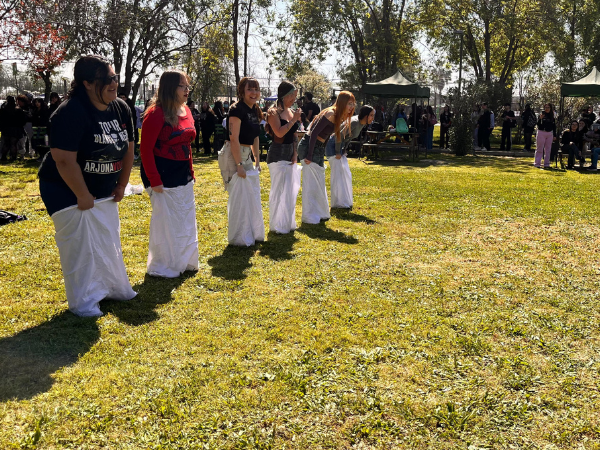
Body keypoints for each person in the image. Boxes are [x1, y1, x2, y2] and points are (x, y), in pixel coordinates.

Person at [37, 55, 136, 316]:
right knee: (80, 246)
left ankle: (111, 289)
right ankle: (84, 302)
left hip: (103, 189)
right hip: (64, 188)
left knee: (106, 241)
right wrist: (82, 194)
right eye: (107, 79)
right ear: (87, 83)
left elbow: (128, 150)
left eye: (115, 77)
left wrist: (121, 184)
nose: (114, 83)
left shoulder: (121, 108)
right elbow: (63, 160)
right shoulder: (70, 112)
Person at [140, 70, 199, 277]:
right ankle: (164, 265)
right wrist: (154, 179)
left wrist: (191, 170)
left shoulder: (186, 110)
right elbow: (145, 150)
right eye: (183, 86)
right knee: (166, 222)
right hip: (162, 175)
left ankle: (185, 261)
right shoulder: (156, 114)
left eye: (187, 86)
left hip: (182, 173)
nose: (187, 90)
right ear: (170, 88)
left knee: (184, 219)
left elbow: (187, 145)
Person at [217, 76, 264, 246]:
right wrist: (239, 165)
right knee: (238, 197)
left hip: (247, 155)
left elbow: (255, 137)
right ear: (242, 91)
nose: (254, 93)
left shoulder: (255, 110)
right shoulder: (236, 109)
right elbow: (233, 138)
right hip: (233, 155)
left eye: (256, 89)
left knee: (250, 195)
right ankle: (239, 238)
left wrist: (257, 160)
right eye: (250, 89)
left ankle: (250, 233)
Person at [297, 90, 355, 223]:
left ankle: (320, 213)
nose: (352, 107)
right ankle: (310, 216)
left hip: (318, 149)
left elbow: (328, 136)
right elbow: (313, 133)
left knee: (319, 181)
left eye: (353, 104)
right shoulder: (331, 113)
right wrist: (310, 154)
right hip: (309, 146)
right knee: (311, 183)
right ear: (342, 103)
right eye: (349, 103)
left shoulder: (340, 115)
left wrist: (322, 151)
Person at [265, 81, 303, 233]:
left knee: (289, 191)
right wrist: (294, 119)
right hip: (277, 155)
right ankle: (276, 225)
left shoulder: (292, 111)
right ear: (283, 95)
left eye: (295, 96)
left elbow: (294, 135)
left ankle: (286, 223)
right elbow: (279, 133)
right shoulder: (273, 112)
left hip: (289, 154)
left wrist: (295, 154)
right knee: (278, 191)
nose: (294, 99)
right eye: (291, 95)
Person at [0, 96, 28, 161]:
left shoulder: (4, 110)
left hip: (6, 129)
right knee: (13, 144)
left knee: (6, 143)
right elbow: (23, 120)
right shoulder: (18, 110)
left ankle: (3, 156)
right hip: (16, 129)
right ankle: (13, 157)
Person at [535, 103, 556, 168]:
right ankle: (537, 163)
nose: (547, 109)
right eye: (546, 107)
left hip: (549, 133)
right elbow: (538, 124)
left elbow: (554, 126)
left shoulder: (552, 116)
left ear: (550, 108)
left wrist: (554, 135)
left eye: (548, 107)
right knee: (539, 148)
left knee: (548, 149)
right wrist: (540, 119)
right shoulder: (541, 115)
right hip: (541, 132)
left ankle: (546, 164)